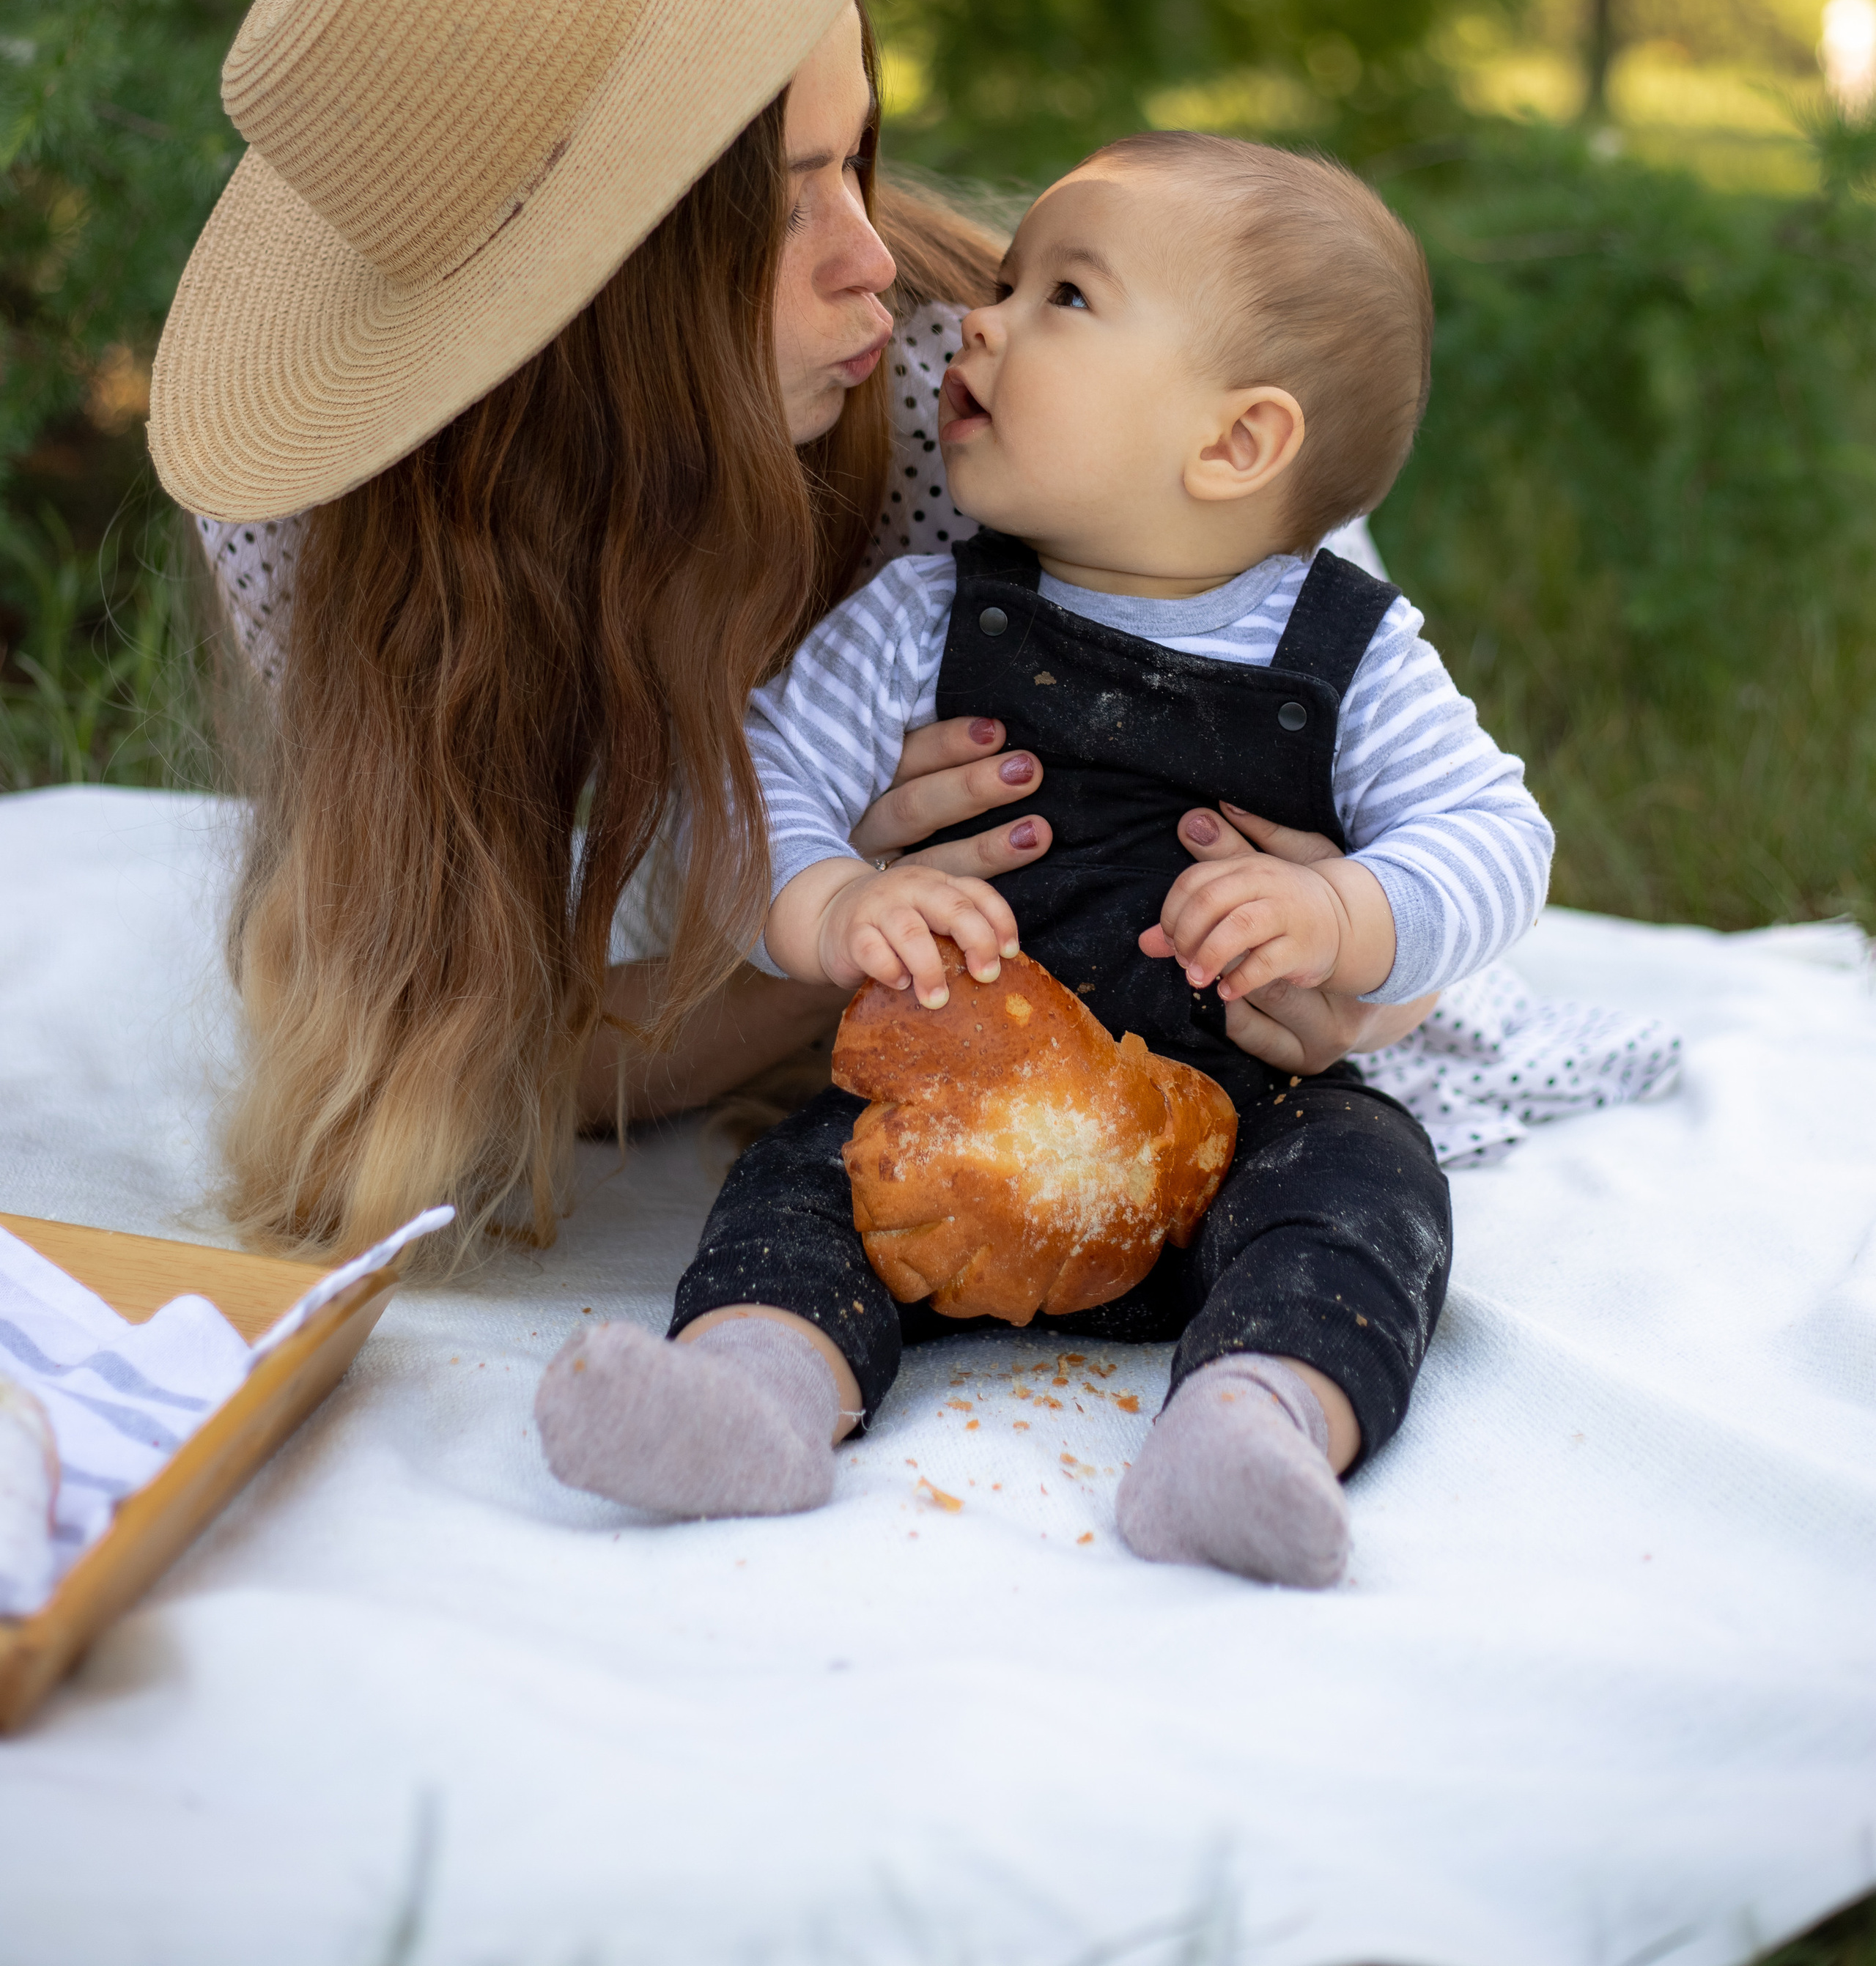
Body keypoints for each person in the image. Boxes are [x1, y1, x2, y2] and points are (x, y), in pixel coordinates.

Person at [153, 0, 1423, 1277]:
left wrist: (1340, 955)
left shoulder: (961, 420)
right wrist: (838, 927)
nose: (871, 263)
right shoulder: (315, 517)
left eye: (861, 155)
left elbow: (1398, 851)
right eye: (784, 197)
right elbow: (447, 1053)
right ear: (571, 305)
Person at [533, 136, 1554, 1588]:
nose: (978, 320)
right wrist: (835, 906)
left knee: (1367, 1192)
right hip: (963, 1104)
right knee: (800, 1187)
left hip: (1240, 1115)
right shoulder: (916, 617)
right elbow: (751, 797)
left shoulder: (1346, 653)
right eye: (1001, 281)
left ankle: (1251, 1418)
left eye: (1062, 296)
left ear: (1234, 444)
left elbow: (1496, 842)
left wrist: (1341, 910)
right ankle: (755, 1397)